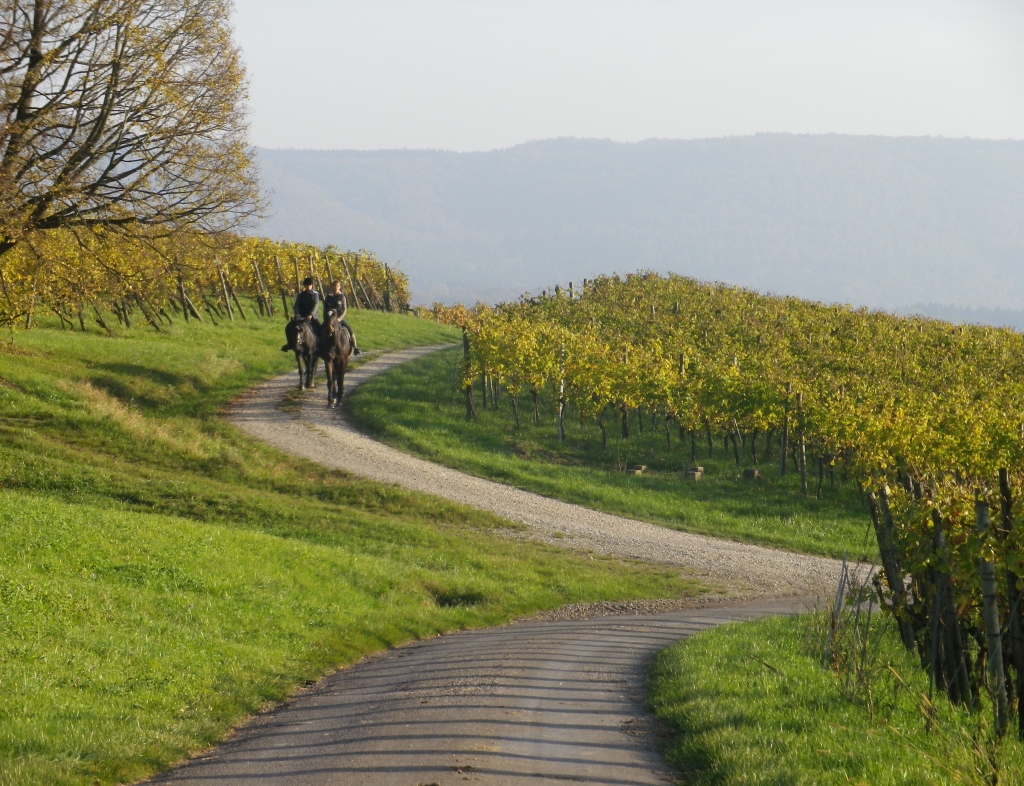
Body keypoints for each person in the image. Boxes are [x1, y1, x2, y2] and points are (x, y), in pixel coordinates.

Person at [281, 277, 320, 351]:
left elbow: (315, 305)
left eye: (310, 285)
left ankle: (320, 346)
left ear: (312, 285)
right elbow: (297, 305)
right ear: (305, 286)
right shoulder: (301, 295)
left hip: (312, 317)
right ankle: (290, 344)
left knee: (320, 328)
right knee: (288, 327)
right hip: (301, 317)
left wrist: (311, 314)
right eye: (307, 285)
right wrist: (297, 314)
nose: (308, 286)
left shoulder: (315, 295)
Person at [323, 280, 362, 355]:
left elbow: (344, 310)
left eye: (337, 286)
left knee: (350, 331)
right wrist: (327, 320)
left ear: (339, 287)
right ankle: (318, 348)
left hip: (339, 319)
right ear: (332, 286)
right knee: (320, 330)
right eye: (334, 285)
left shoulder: (342, 297)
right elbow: (325, 309)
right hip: (329, 320)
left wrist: (339, 319)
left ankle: (355, 347)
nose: (335, 287)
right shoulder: (328, 297)